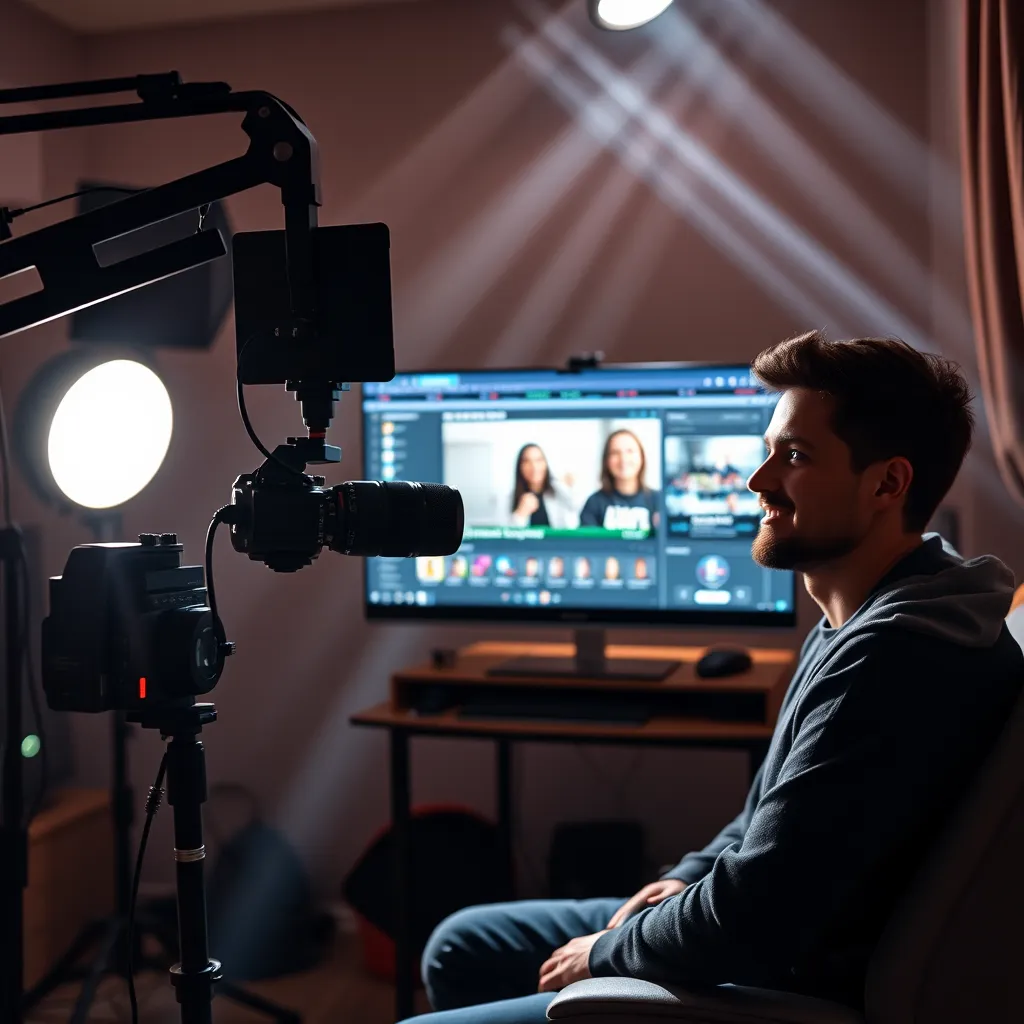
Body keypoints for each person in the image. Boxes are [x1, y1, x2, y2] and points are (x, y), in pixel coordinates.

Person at [403, 332, 1024, 1024]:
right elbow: (768, 822)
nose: (758, 481)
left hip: (781, 987)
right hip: (753, 931)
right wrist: (681, 878)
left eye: (793, 456)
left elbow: (758, 916)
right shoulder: (872, 616)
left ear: (887, 483)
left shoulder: (897, 658)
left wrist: (609, 951)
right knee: (461, 944)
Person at [579, 429, 660, 533]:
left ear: (642, 457)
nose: (623, 459)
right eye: (615, 453)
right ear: (606, 460)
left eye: (630, 451)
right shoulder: (594, 503)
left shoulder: (658, 501)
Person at [508, 444, 578, 528]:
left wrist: (568, 488)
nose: (534, 466)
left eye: (538, 460)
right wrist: (520, 515)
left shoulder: (559, 491)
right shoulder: (511, 497)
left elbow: (575, 516)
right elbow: (505, 535)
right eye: (527, 461)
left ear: (545, 464)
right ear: (520, 467)